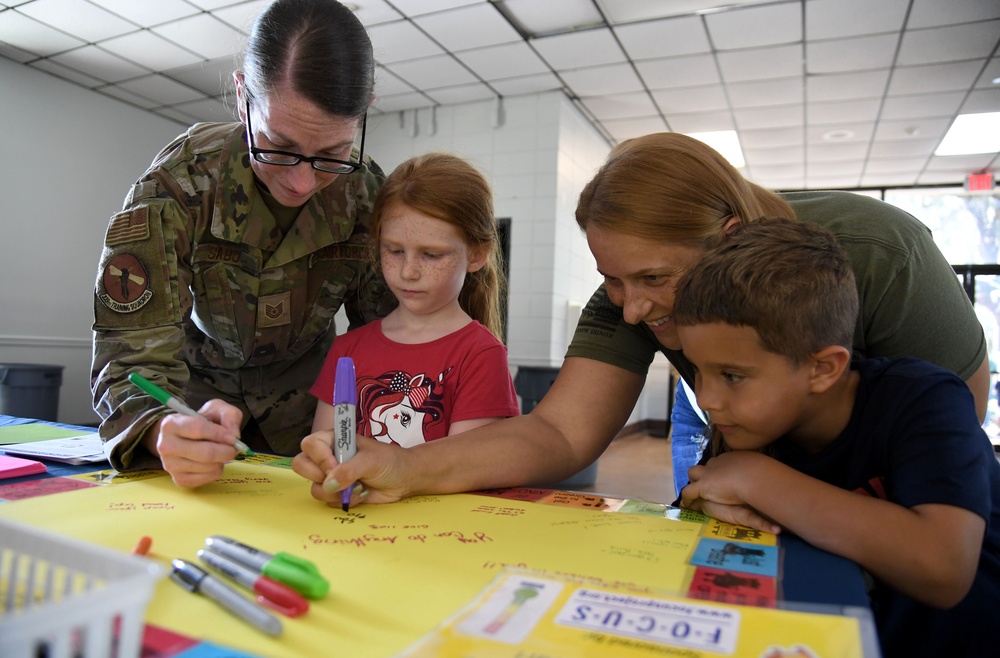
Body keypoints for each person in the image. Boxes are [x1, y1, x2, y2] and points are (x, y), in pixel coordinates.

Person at [295, 131, 989, 510]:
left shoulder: (877, 252)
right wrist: (406, 466)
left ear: (729, 235)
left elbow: (950, 425)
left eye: (656, 279)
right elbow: (559, 430)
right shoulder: (629, 295)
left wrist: (788, 491)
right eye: (610, 280)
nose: (632, 308)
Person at [91, 0, 395, 488]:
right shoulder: (180, 184)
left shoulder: (366, 196)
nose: (301, 182)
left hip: (313, 430)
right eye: (279, 146)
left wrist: (375, 437)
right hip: (195, 417)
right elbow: (130, 354)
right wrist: (159, 429)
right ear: (241, 97)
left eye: (332, 153)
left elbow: (389, 340)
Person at [673, 218, 1000, 658]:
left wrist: (759, 481)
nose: (707, 398)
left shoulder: (923, 399)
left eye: (732, 376)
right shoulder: (753, 428)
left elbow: (943, 568)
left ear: (823, 369)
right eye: (696, 369)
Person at [303, 153, 519, 466]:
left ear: (476, 254)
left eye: (431, 255)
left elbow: (465, 469)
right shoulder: (346, 349)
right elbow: (325, 449)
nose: (408, 272)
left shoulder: (481, 355)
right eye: (394, 251)